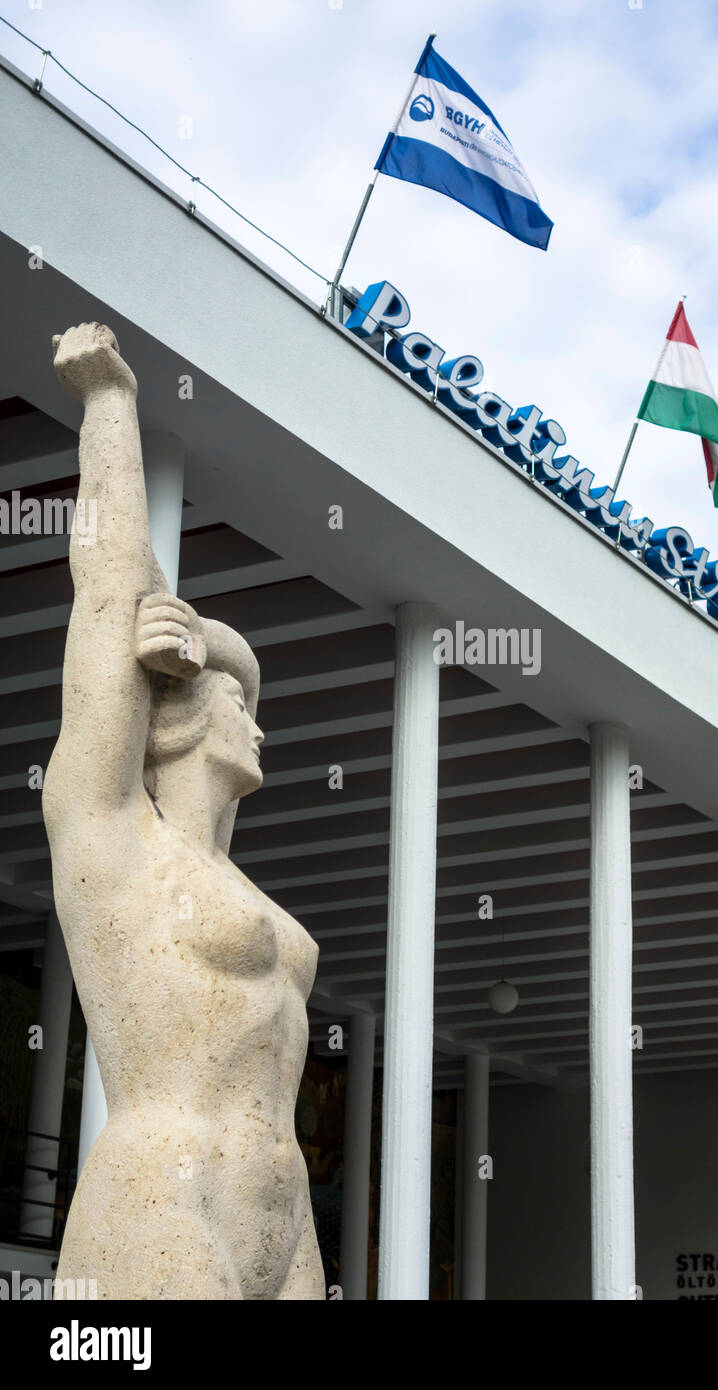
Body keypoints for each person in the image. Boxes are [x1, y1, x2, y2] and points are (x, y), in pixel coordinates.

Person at [44, 323, 325, 1300]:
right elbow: (106, 599)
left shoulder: (228, 881)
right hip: (165, 1198)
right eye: (238, 701)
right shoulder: (111, 835)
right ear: (171, 719)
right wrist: (111, 403)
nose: (259, 728)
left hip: (281, 1211)